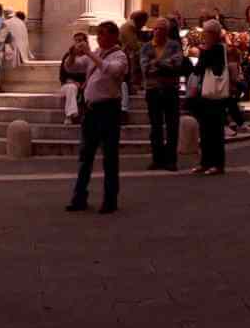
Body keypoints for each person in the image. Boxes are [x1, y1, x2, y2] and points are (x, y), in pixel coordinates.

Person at [66, 21, 128, 214]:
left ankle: (110, 200)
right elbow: (73, 67)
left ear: (113, 36)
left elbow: (112, 71)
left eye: (102, 34)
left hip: (109, 110)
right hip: (91, 111)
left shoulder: (120, 56)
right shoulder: (96, 54)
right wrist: (71, 54)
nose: (99, 37)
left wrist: (91, 54)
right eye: (98, 34)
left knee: (110, 157)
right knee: (86, 156)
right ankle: (79, 198)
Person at [140, 18, 183, 170]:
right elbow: (145, 68)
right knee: (155, 126)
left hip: (170, 90)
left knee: (172, 126)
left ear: (167, 31)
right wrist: (165, 64)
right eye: (156, 28)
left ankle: (171, 160)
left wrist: (156, 63)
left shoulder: (174, 45)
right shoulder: (146, 47)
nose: (158, 31)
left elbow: (177, 65)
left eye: (162, 29)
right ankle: (157, 159)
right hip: (153, 91)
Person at [190, 19, 229, 176]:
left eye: (205, 33)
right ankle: (205, 162)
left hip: (216, 97)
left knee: (215, 132)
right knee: (205, 130)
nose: (203, 36)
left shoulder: (218, 49)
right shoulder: (211, 49)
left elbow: (202, 68)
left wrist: (204, 52)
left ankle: (217, 164)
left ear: (213, 34)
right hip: (206, 94)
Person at [60, 32, 89, 124]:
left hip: (86, 84)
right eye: (76, 41)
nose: (78, 43)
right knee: (71, 88)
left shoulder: (90, 56)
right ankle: (70, 115)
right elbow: (62, 76)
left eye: (80, 40)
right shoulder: (67, 56)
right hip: (69, 85)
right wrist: (71, 81)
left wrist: (85, 83)